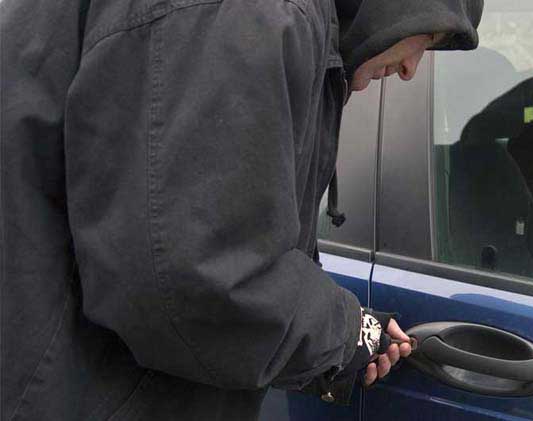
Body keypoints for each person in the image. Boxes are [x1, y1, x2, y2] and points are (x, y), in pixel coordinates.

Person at [0, 0, 482, 419]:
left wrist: (349, 329)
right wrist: (344, 332)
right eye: (431, 34)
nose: (412, 68)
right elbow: (196, 280)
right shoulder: (243, 13)